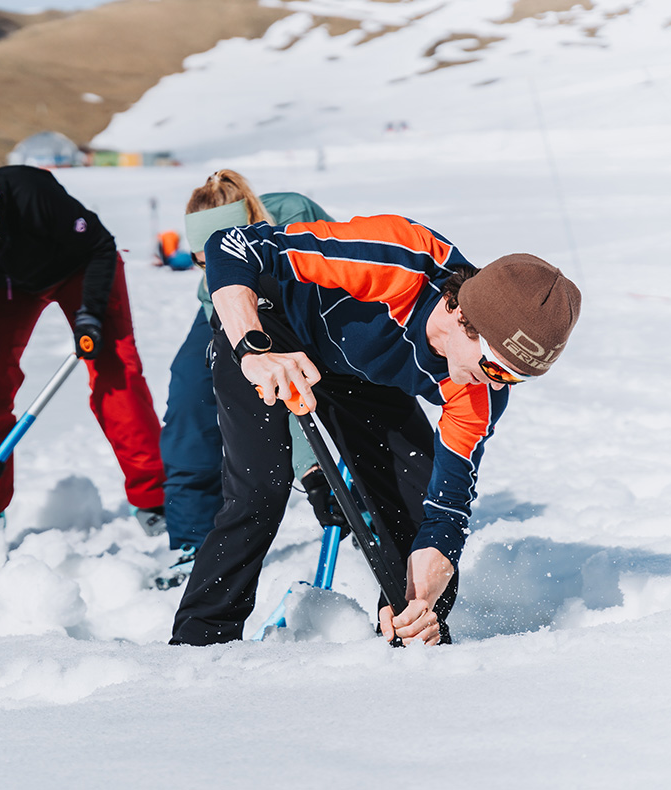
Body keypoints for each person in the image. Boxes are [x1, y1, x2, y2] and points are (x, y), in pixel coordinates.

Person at [171, 214, 581, 646]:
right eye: (497, 366)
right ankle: (199, 643)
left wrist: (421, 598)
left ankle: (409, 638)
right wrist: (251, 348)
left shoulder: (479, 389)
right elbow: (232, 244)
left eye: (517, 378)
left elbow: (449, 508)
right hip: (270, 332)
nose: (498, 385)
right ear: (462, 314)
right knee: (260, 488)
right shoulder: (398, 259)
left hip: (358, 371)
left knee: (419, 510)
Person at [0, 148, 167, 529]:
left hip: (82, 270)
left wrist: (89, 312)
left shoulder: (30, 193)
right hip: (6, 287)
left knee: (115, 373)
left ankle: (156, 500)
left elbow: (100, 246)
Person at [157, 170, 341, 589]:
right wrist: (309, 470)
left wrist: (311, 467)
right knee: (189, 393)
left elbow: (293, 369)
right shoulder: (212, 289)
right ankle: (192, 541)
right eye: (200, 262)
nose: (208, 271)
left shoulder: (295, 216)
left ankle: (366, 498)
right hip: (233, 312)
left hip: (299, 297)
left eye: (215, 259)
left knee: (324, 382)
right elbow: (259, 378)